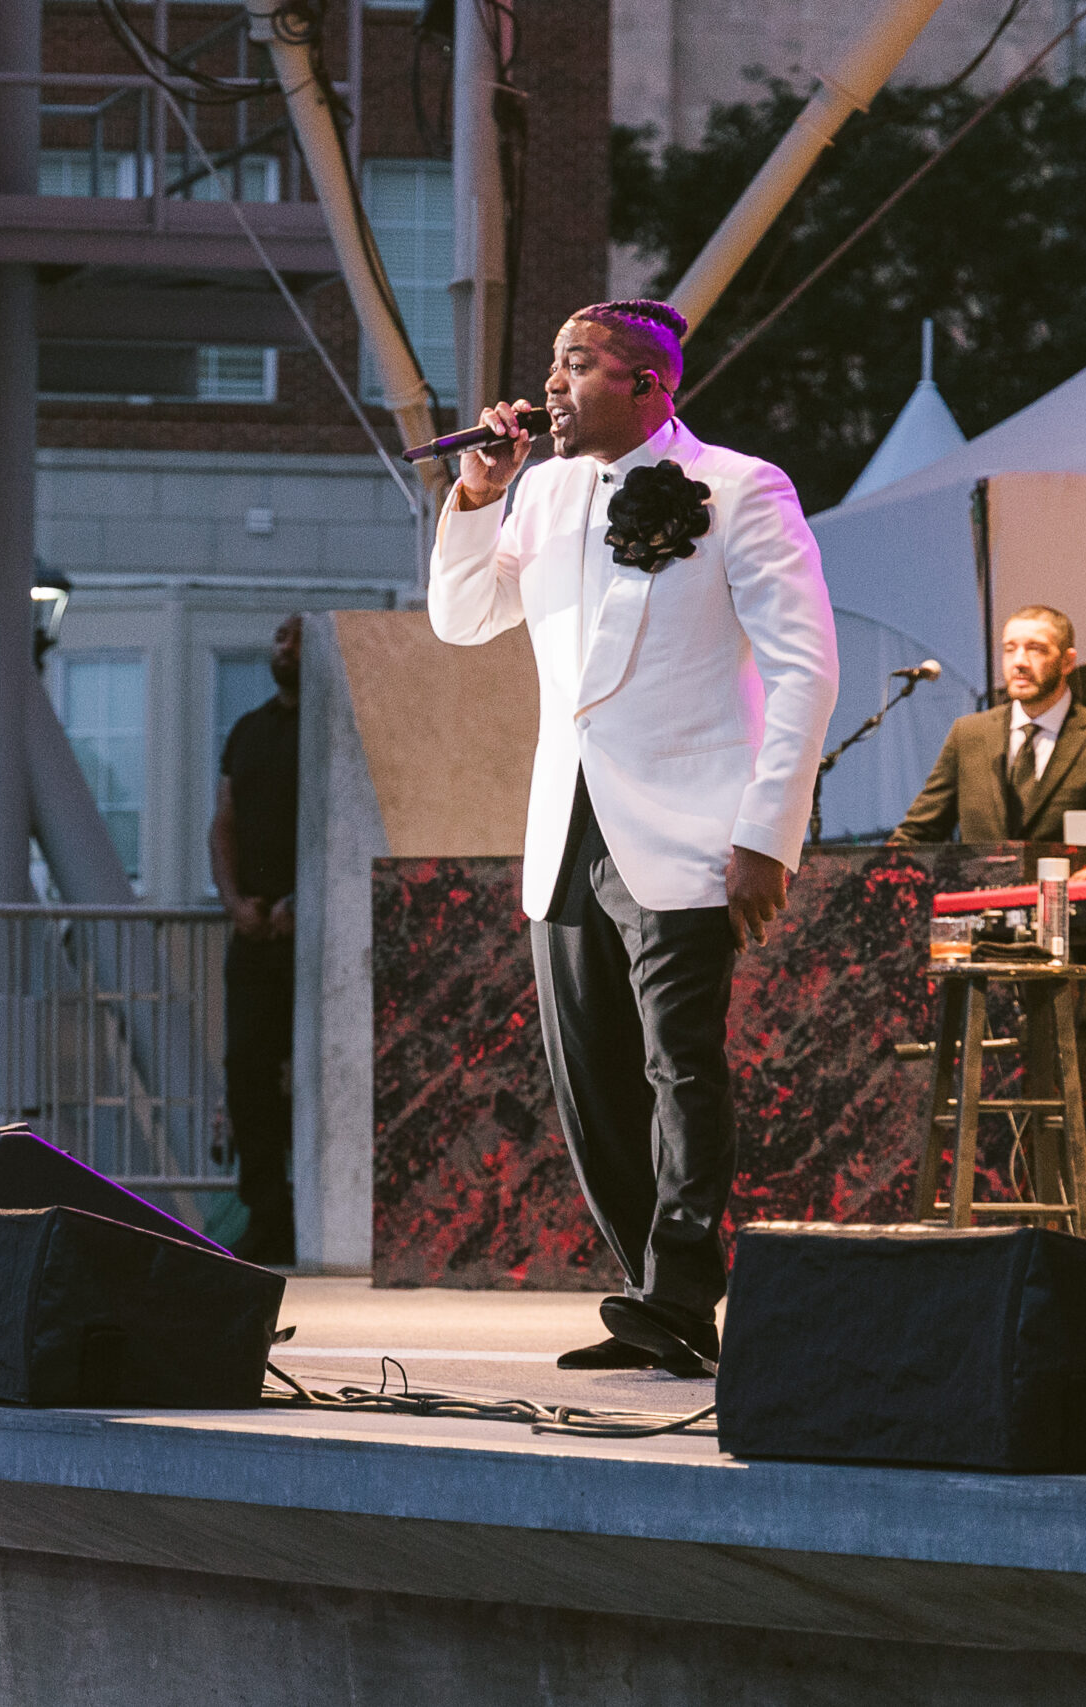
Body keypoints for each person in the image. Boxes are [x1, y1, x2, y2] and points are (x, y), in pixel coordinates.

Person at [429, 299, 838, 1375]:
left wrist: (769, 830)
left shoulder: (743, 489)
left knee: (680, 1069)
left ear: (649, 385)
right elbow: (464, 619)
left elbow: (804, 669)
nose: (550, 385)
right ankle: (646, 1293)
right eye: (552, 364)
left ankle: (678, 1291)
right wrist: (475, 495)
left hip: (692, 826)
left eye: (577, 365)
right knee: (592, 1074)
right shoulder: (544, 491)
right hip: (568, 821)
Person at [888, 606, 1086, 845]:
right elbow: (918, 834)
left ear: (1067, 661)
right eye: (1010, 649)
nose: (1019, 661)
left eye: (1036, 649)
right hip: (979, 892)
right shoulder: (969, 735)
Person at [210, 615, 303, 1267]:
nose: (283, 647)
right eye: (277, 636)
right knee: (247, 1070)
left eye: (295, 637)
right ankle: (266, 1212)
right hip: (255, 927)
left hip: (309, 929)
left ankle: (307, 1212)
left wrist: (309, 901)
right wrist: (233, 902)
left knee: (313, 1077)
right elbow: (224, 824)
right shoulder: (247, 731)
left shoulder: (328, 730)